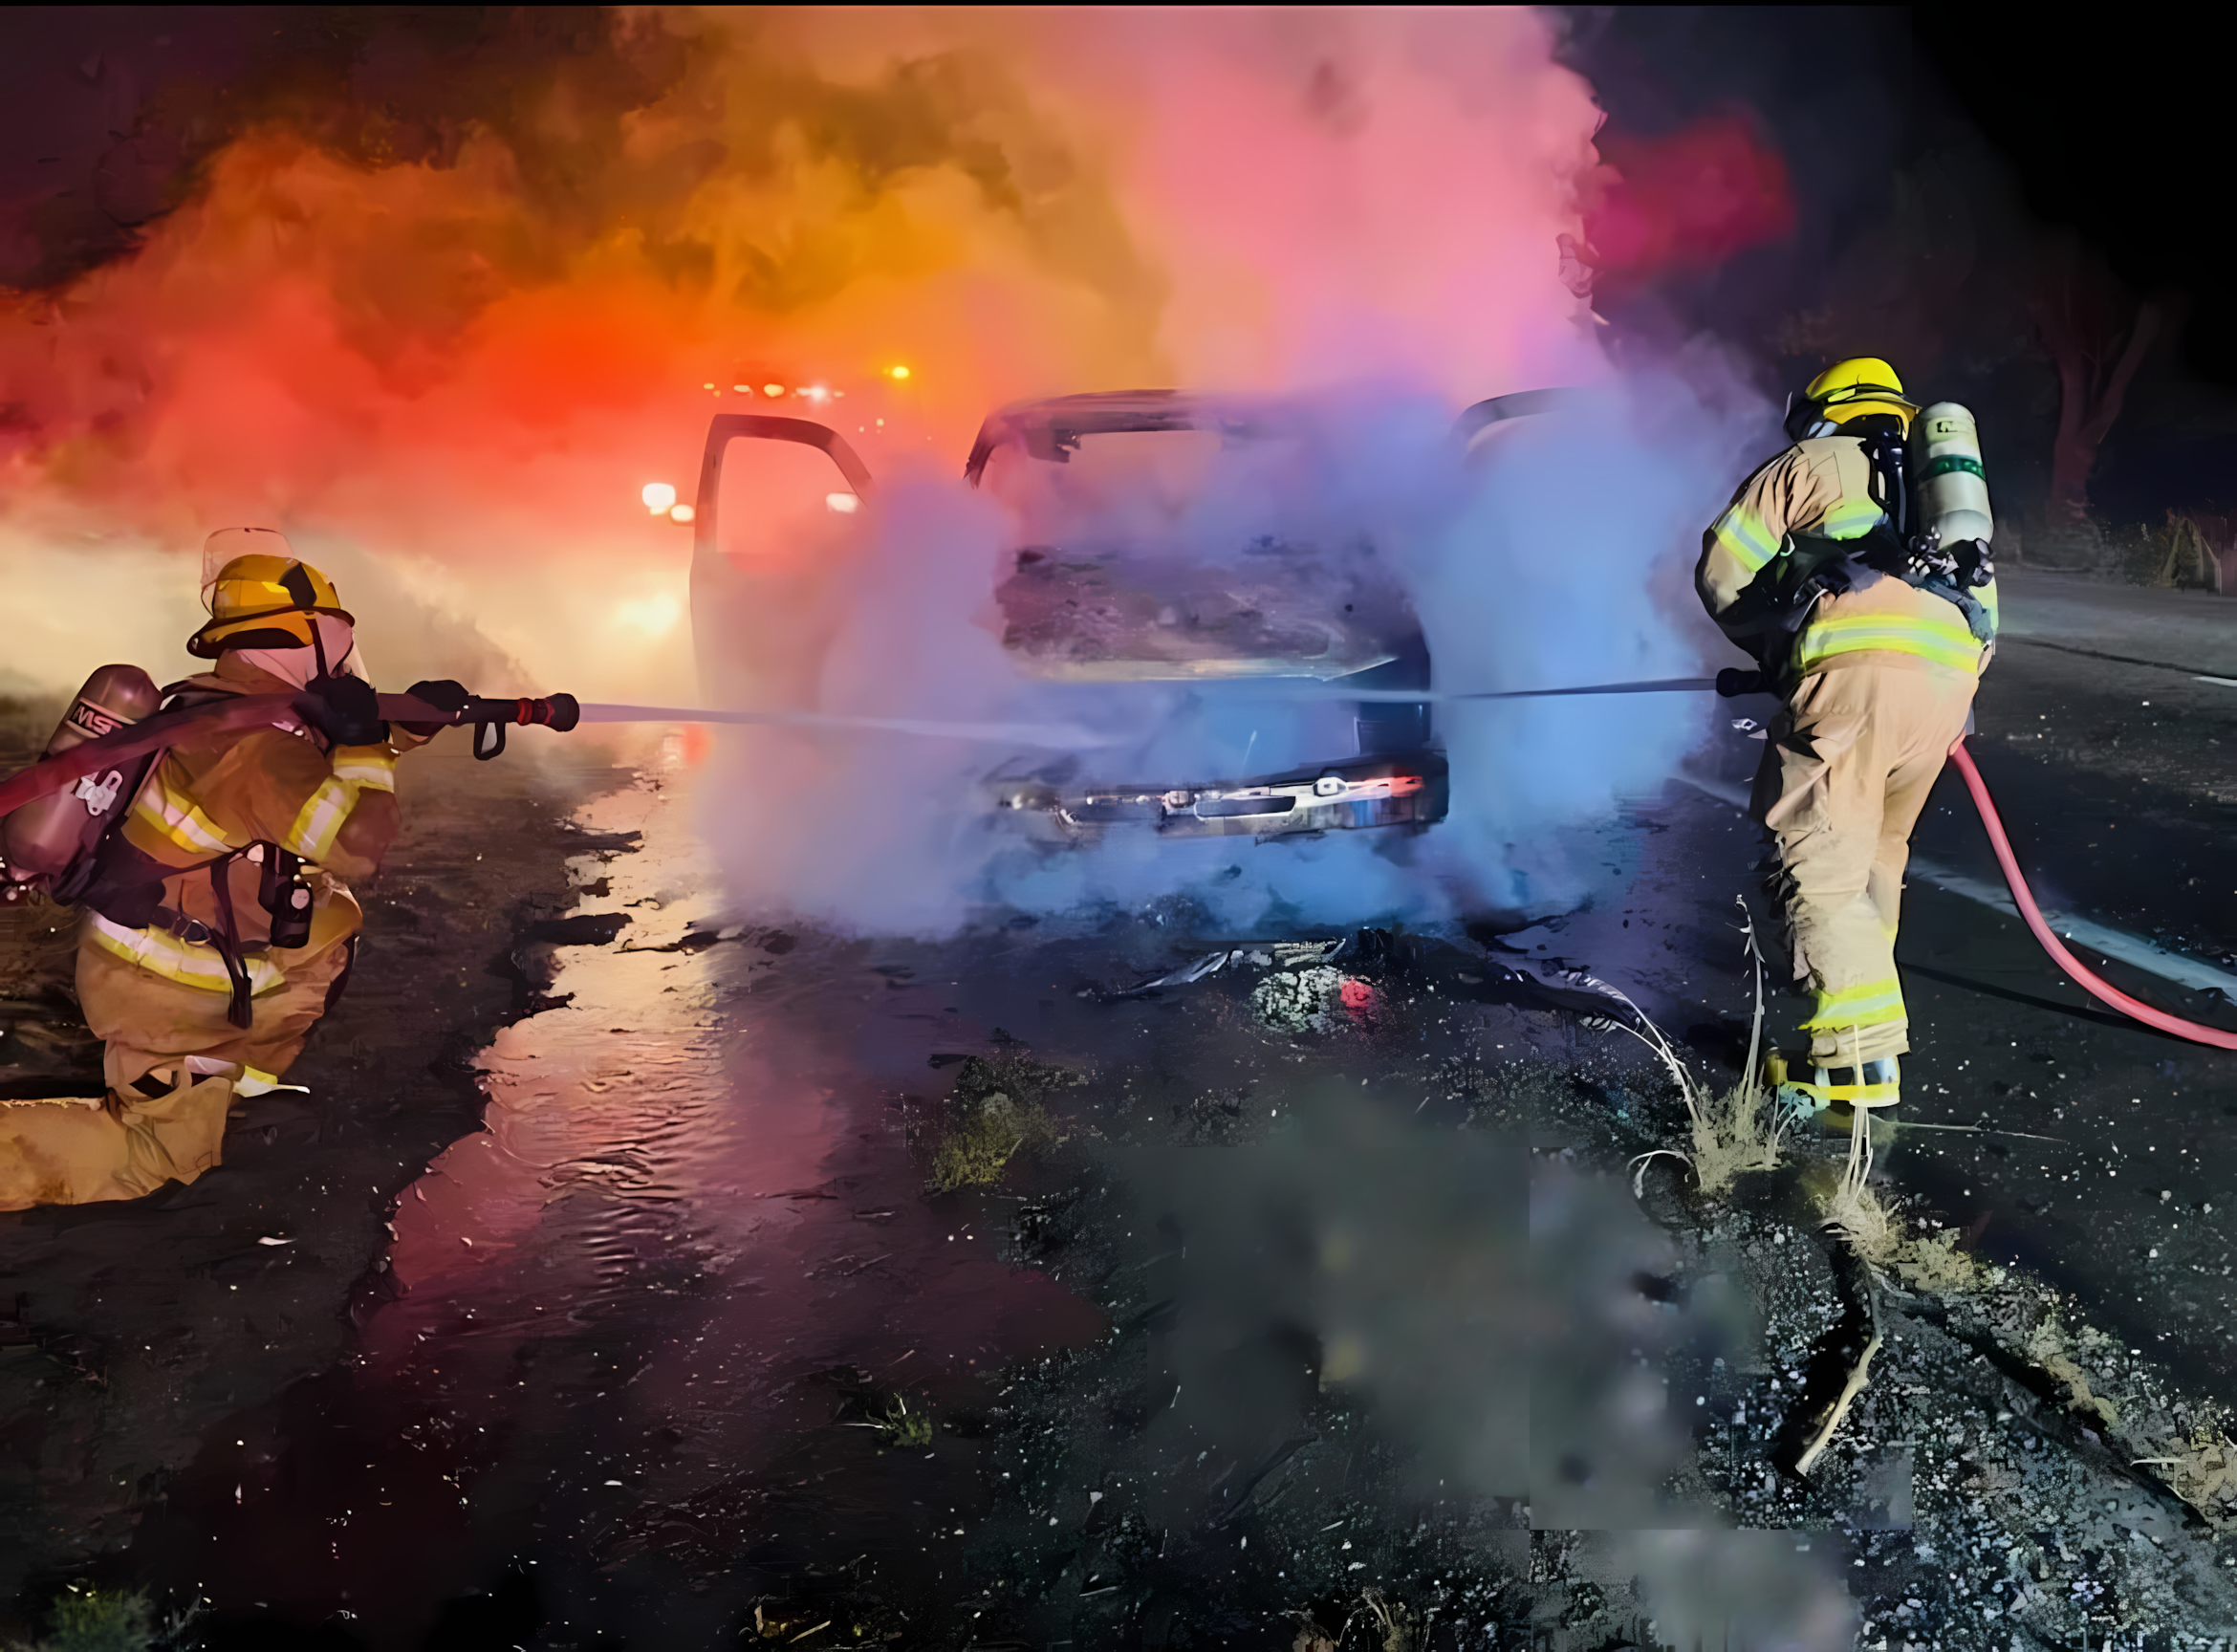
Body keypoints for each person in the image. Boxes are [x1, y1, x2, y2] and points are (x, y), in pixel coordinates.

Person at [0, 529, 466, 1209]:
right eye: (336, 638)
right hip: (167, 988)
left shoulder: (228, 708)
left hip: (187, 959)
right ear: (306, 638)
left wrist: (407, 726)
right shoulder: (251, 749)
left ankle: (226, 1088)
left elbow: (303, 765)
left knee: (316, 944)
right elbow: (357, 841)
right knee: (155, 1158)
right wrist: (367, 742)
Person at [1696, 358, 1999, 1133]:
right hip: (1945, 698)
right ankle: (1856, 1040)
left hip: (1851, 688)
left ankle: (1858, 1066)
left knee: (1820, 861)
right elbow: (1986, 624)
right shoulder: (1942, 500)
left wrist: (1776, 648)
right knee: (1876, 858)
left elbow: (1722, 573)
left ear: (1826, 411)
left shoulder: (1812, 461)